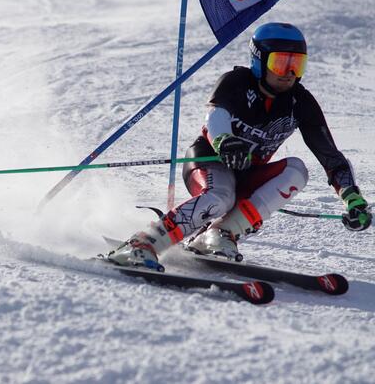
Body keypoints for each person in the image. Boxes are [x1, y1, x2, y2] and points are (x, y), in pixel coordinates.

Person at [108, 22, 372, 267]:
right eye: (281, 63)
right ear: (259, 61)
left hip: (247, 173)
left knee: (297, 170)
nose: (289, 74)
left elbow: (330, 156)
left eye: (297, 64)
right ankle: (141, 243)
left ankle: (218, 234)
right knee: (221, 197)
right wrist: (224, 141)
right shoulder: (236, 82)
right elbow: (216, 116)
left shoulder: (301, 103)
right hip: (209, 161)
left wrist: (352, 197)